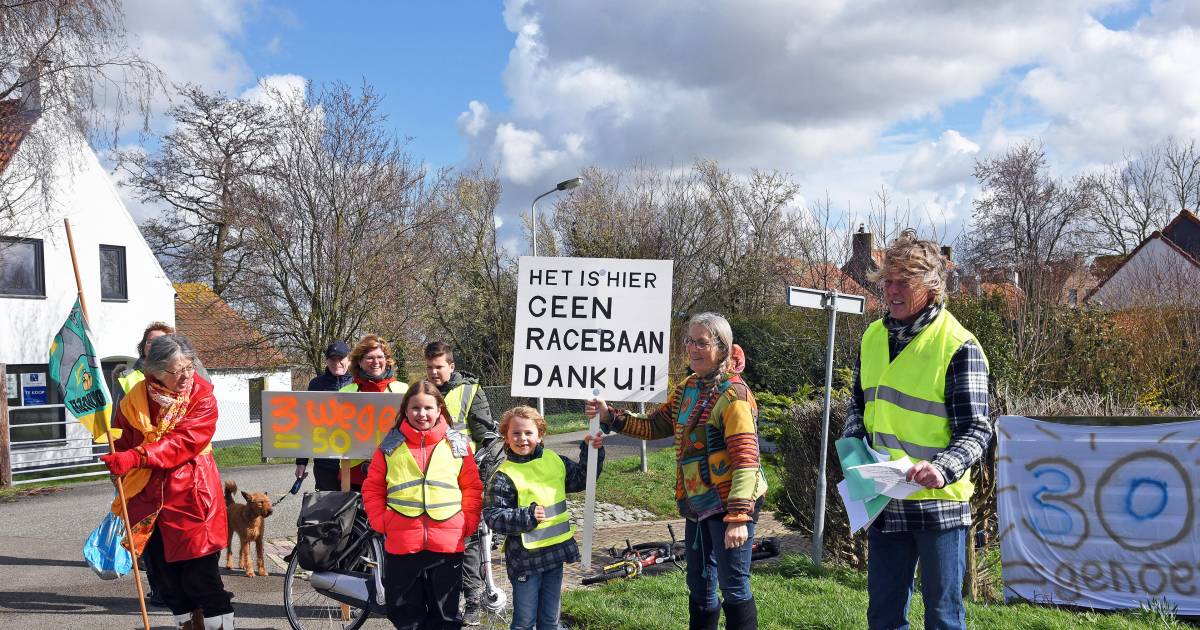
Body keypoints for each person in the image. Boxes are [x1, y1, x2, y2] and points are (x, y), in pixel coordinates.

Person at [841, 231, 991, 630]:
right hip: (884, 500)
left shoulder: (959, 345)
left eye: (902, 282)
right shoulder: (872, 336)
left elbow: (976, 429)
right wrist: (854, 449)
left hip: (938, 504)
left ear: (930, 286)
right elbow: (858, 404)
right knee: (884, 617)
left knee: (943, 619)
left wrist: (942, 467)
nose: (891, 291)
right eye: (887, 281)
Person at [586, 312, 766, 630]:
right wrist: (609, 415)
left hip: (731, 506)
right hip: (697, 504)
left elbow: (746, 460)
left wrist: (738, 518)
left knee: (734, 588)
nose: (693, 348)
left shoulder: (734, 396)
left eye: (702, 342)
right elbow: (656, 425)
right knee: (699, 586)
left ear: (722, 348)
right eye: (689, 341)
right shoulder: (688, 388)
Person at [100, 334, 234, 629]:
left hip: (193, 498)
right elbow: (120, 438)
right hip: (150, 500)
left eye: (189, 367)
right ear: (155, 372)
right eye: (177, 371)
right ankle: (186, 625)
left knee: (201, 579)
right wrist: (116, 458)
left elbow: (183, 442)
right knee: (166, 581)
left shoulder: (202, 397)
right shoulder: (135, 397)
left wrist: (135, 457)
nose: (186, 376)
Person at [362, 380, 484, 629]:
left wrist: (468, 522)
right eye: (416, 408)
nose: (422, 414)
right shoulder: (390, 446)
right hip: (402, 543)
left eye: (428, 408)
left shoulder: (457, 444)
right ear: (405, 410)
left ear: (439, 409)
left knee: (445, 617)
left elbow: (472, 487)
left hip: (447, 544)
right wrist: (380, 521)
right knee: (404, 614)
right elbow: (373, 487)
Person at [483, 406, 604, 630]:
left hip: (554, 554)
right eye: (516, 433)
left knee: (550, 620)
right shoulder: (503, 475)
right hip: (524, 560)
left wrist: (591, 451)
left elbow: (582, 479)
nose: (522, 438)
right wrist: (526, 516)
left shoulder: (554, 460)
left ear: (540, 435)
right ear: (506, 438)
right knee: (524, 621)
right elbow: (493, 516)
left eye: (529, 433)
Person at [425, 340, 500, 625]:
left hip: (463, 478)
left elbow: (489, 438)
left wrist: (483, 474)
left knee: (466, 541)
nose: (434, 373)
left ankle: (473, 600)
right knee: (437, 542)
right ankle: (442, 600)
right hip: (430, 480)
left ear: (451, 366)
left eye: (439, 367)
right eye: (430, 367)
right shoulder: (422, 392)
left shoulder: (470, 392)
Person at [111, 320, 175, 608]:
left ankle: (181, 588)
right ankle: (159, 588)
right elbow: (117, 426)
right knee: (146, 532)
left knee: (174, 531)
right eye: (151, 341)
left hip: (173, 469)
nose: (156, 346)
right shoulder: (129, 379)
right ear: (144, 346)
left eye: (163, 341)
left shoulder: (182, 375)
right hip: (139, 468)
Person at [339, 334, 408, 490]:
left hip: (395, 469)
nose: (376, 362)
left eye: (380, 357)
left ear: (387, 360)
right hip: (355, 472)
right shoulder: (346, 392)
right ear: (360, 362)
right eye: (370, 358)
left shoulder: (404, 390)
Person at [294, 340, 354, 491]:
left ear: (349, 359)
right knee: (328, 508)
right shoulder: (316, 385)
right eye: (332, 359)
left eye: (341, 358)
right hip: (325, 463)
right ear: (326, 361)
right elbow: (307, 424)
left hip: (354, 462)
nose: (337, 363)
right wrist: (301, 461)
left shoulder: (360, 383)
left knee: (356, 509)